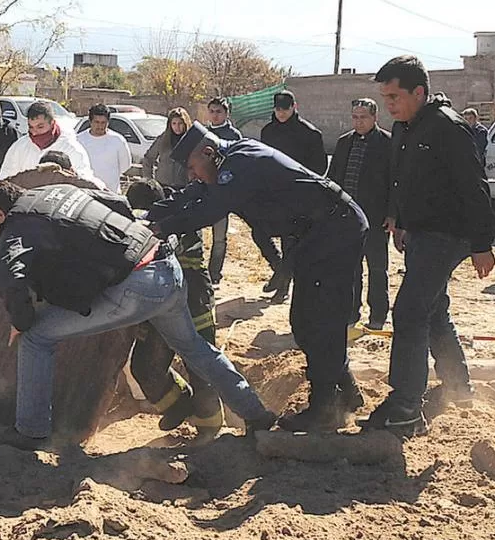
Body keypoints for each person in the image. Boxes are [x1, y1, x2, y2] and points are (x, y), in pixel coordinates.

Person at [0, 180, 275, 449]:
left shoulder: (17, 221)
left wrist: (20, 322)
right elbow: (118, 203)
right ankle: (256, 415)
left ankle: (32, 432)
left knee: (36, 337)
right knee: (194, 347)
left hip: (137, 286)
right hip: (167, 267)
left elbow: (9, 277)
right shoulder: (57, 192)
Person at [149, 122, 368, 432]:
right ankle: (346, 393)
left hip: (335, 228)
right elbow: (191, 194)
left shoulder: (240, 164)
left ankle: (325, 407)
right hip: (316, 233)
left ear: (209, 153)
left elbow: (209, 210)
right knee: (306, 319)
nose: (192, 174)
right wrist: (150, 214)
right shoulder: (224, 163)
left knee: (317, 319)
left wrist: (162, 228)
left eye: (193, 167)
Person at [363, 55, 495, 436]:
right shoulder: (404, 128)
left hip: (448, 234)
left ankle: (405, 407)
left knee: (408, 312)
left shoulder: (448, 128)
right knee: (433, 311)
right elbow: (403, 181)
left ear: (419, 92)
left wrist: (482, 243)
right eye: (385, 97)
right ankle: (460, 387)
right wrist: (401, 222)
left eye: (394, 96)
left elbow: (475, 187)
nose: (389, 104)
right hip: (419, 233)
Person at [126, 179, 223, 438]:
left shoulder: (180, 221)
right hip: (157, 306)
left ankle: (209, 428)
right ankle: (179, 405)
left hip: (194, 301)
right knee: (144, 367)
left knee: (201, 369)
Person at [326, 98, 392, 330]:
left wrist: (393, 214)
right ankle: (351, 313)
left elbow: (395, 183)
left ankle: (378, 315)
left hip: (376, 218)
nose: (359, 121)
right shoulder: (344, 143)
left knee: (377, 268)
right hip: (348, 218)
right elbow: (333, 179)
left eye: (363, 117)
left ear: (375, 118)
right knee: (350, 269)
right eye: (355, 117)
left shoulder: (387, 143)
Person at [255, 91, 327, 299]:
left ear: (294, 106)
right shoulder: (268, 131)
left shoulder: (310, 133)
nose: (281, 113)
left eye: (285, 109)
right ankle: (279, 270)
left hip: (298, 196)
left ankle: (284, 286)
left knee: (290, 241)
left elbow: (319, 167)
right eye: (277, 109)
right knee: (259, 232)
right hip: (272, 193)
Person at [0, 101, 95, 182]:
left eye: (40, 127)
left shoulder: (72, 148)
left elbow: (84, 179)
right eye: (31, 127)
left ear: (52, 123)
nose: (34, 133)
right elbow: (5, 177)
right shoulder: (19, 146)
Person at [205, 97, 242, 287]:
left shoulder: (234, 135)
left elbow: (238, 163)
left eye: (219, 111)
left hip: (223, 191)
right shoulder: (202, 132)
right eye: (212, 111)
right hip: (202, 189)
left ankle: (214, 273)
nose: (215, 115)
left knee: (219, 237)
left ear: (226, 113)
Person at [76, 103, 132, 193]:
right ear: (90, 122)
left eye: (103, 123)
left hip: (111, 193)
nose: (100, 126)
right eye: (97, 122)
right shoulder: (79, 140)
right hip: (86, 193)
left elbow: (125, 165)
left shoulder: (118, 140)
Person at [142, 108, 191, 190]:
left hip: (184, 186)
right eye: (174, 123)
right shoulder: (163, 139)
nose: (177, 127)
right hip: (163, 185)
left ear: (185, 124)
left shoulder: (191, 140)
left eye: (180, 123)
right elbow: (148, 158)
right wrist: (149, 181)